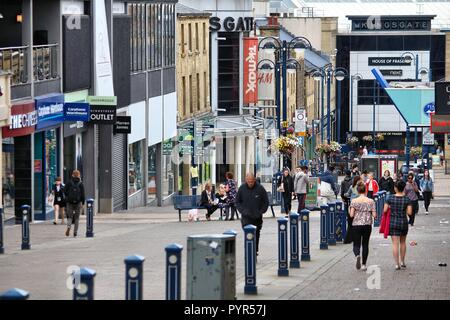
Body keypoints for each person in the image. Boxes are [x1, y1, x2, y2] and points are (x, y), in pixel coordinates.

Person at [236, 173, 269, 256]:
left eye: (252, 181)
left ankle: (255, 250)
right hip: (246, 217)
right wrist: (242, 211)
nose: (250, 183)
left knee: (256, 234)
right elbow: (237, 201)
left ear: (254, 180)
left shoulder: (260, 188)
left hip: (257, 217)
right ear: (246, 180)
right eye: (249, 181)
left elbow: (265, 201)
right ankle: (249, 251)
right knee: (248, 234)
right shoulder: (242, 188)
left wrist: (261, 211)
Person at [384, 180, 413, 270]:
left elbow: (384, 210)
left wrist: (390, 208)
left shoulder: (390, 198)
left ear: (395, 188)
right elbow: (409, 213)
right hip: (403, 222)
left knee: (395, 244)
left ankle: (397, 264)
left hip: (393, 222)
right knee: (403, 242)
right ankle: (402, 261)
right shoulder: (407, 199)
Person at [349, 181, 377, 271]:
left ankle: (357, 255)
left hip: (356, 224)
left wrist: (350, 210)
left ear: (357, 191)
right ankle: (364, 264)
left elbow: (351, 215)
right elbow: (375, 215)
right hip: (367, 224)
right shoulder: (370, 201)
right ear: (365, 191)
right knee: (365, 244)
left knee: (356, 243)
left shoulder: (354, 201)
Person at [64, 170, 85, 237]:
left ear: (72, 175)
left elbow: (65, 191)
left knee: (70, 217)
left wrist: (67, 198)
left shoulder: (69, 182)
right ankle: (75, 232)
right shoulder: (81, 183)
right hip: (78, 203)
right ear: (79, 175)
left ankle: (69, 227)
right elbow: (83, 194)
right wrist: (83, 202)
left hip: (69, 202)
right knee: (77, 218)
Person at [344, 176, 363, 244]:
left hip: (352, 205)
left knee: (351, 222)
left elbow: (347, 194)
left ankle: (349, 238)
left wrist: (345, 195)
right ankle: (357, 238)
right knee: (358, 222)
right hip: (359, 206)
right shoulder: (361, 187)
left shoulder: (351, 187)